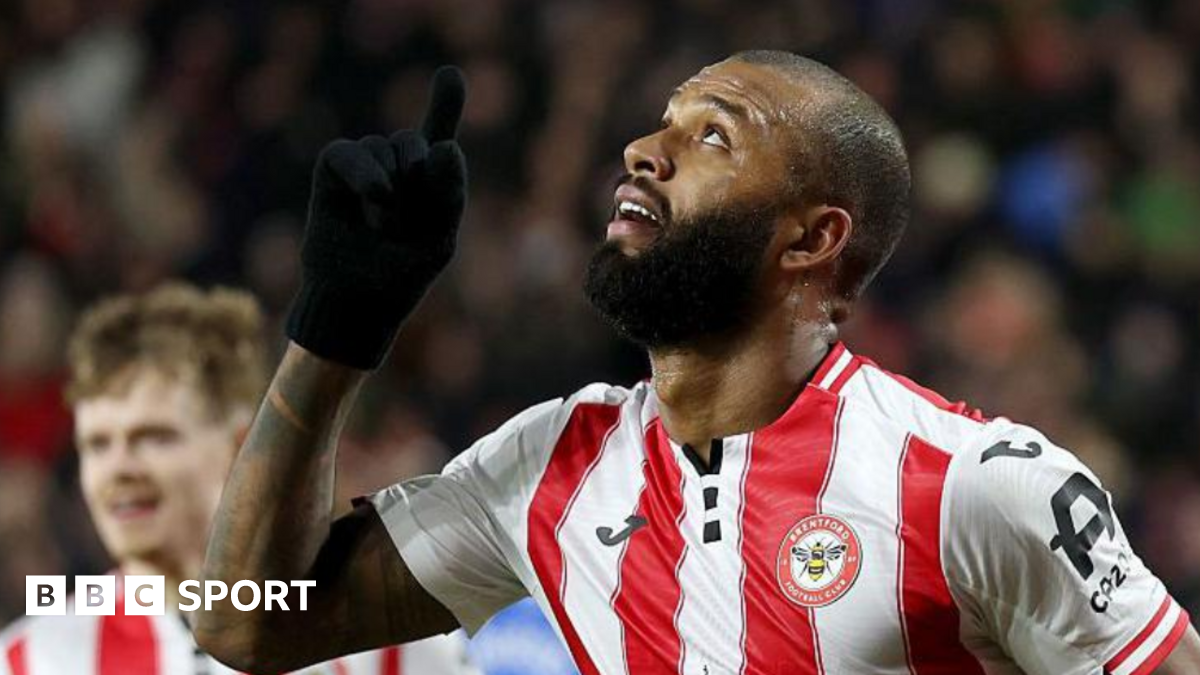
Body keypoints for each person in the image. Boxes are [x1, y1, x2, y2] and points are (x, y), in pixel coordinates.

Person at [195, 52, 1200, 675]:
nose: (643, 148)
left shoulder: (977, 486)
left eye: (711, 134)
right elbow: (250, 628)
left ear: (810, 241)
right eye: (661, 121)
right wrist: (335, 331)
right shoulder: (549, 465)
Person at [0, 284, 477, 674]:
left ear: (242, 447)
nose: (119, 468)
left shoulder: (380, 644)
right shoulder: (31, 659)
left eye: (154, 437)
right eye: (97, 444)